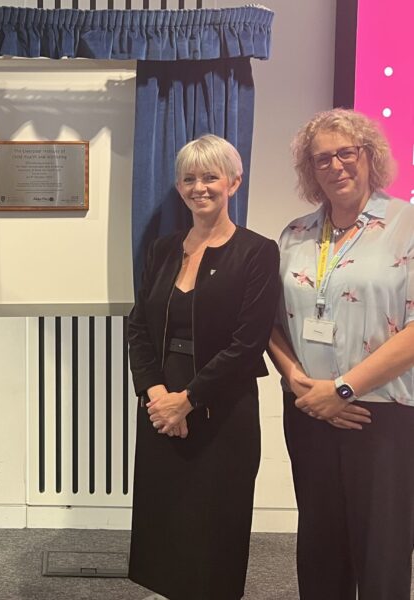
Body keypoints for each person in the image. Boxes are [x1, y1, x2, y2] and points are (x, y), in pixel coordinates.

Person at [268, 108, 414, 599]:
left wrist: (344, 389)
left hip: (383, 417)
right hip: (310, 412)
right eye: (321, 159)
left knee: (382, 555)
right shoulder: (295, 235)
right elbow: (271, 322)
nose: (335, 166)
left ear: (369, 157)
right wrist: (296, 381)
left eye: (345, 153)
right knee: (320, 550)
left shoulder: (407, 225)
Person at [127, 135, 280, 599]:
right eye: (189, 178)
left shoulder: (257, 251)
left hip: (222, 407)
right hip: (160, 404)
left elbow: (247, 343)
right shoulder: (161, 248)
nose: (200, 187)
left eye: (210, 176)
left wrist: (187, 402)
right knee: (166, 524)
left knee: (215, 527)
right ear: (178, 187)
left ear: (233, 181)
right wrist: (157, 396)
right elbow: (138, 327)